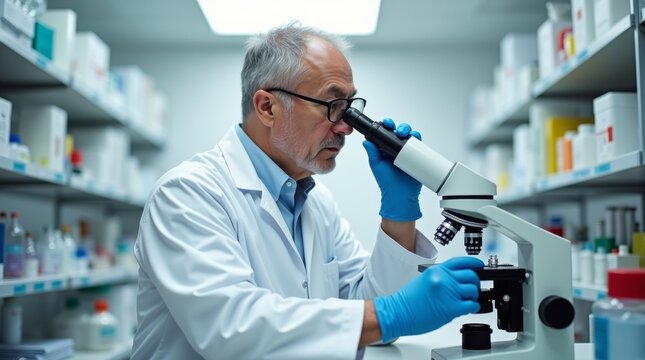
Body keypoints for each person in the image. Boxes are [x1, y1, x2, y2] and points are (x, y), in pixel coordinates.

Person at [130, 23, 483, 360]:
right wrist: (394, 313)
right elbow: (231, 330)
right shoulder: (188, 194)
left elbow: (376, 318)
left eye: (350, 107)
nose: (346, 126)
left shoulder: (316, 204)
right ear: (267, 107)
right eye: (332, 106)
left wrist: (399, 212)